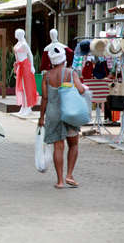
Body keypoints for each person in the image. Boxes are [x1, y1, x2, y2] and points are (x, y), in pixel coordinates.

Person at [38, 45, 85, 189]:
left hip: (53, 113)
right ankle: (69, 175)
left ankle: (59, 181)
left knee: (58, 147)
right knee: (73, 144)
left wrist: (41, 117)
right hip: (70, 113)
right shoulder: (71, 73)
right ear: (64, 59)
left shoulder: (46, 76)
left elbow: (44, 98)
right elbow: (81, 90)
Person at [13, 29, 38, 116]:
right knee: (21, 87)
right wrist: (16, 66)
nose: (15, 34)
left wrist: (32, 66)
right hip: (20, 66)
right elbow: (17, 57)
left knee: (26, 87)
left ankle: (28, 107)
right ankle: (23, 106)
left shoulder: (24, 44)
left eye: (17, 33)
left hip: (25, 66)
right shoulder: (18, 44)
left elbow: (30, 54)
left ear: (21, 34)